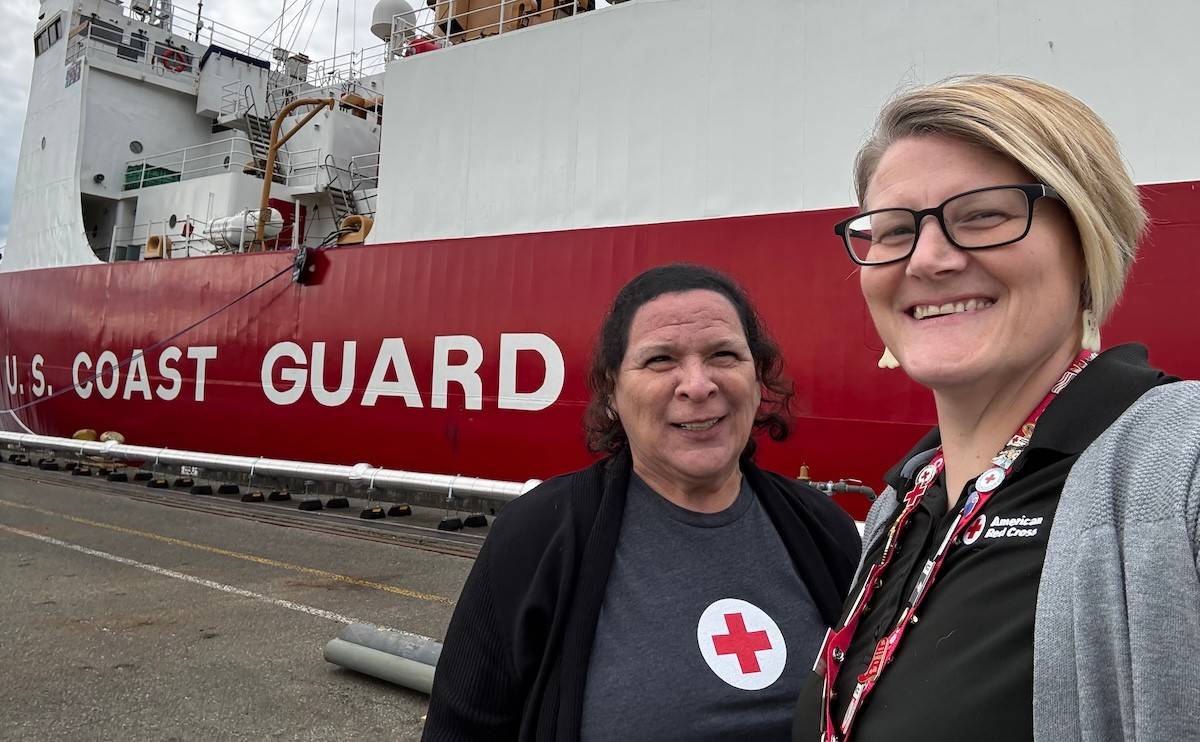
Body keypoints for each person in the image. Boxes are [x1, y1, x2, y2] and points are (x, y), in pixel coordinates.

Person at [792, 74, 1200, 742]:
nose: (927, 259)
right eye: (894, 230)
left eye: (983, 215)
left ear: (1086, 239)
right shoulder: (903, 504)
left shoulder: (1181, 468)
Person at [423, 263, 861, 742]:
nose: (697, 384)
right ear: (612, 392)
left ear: (757, 379)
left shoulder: (825, 530)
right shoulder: (536, 536)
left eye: (723, 354)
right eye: (660, 361)